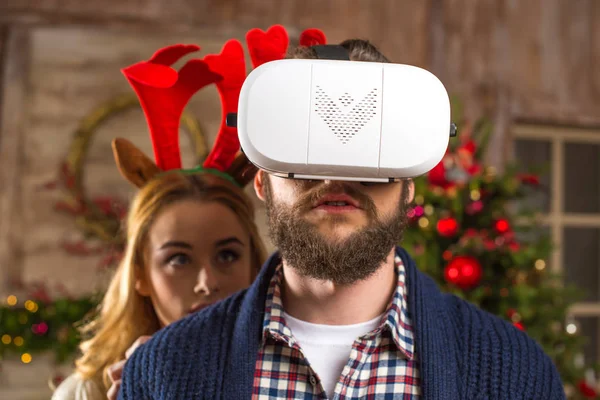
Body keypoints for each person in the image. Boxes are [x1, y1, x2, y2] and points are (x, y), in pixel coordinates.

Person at [118, 32, 566, 400]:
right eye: (307, 148)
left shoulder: (513, 374)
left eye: (368, 148)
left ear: (409, 184)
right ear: (261, 179)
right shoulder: (163, 372)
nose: (335, 177)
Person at [52, 39, 267, 400]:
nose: (206, 282)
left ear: (254, 266)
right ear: (140, 276)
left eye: (227, 255)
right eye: (178, 259)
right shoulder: (87, 391)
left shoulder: (286, 377)